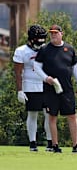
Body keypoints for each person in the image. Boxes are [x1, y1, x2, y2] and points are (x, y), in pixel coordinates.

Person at [33, 24, 77, 153]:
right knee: (52, 116)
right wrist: (46, 78)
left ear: (61, 34)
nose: (53, 35)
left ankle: (76, 145)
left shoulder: (69, 49)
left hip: (66, 88)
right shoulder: (44, 50)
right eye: (52, 33)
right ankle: (55, 145)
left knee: (72, 115)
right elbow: (37, 67)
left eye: (56, 33)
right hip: (51, 88)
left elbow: (75, 68)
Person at [13, 24, 53, 152]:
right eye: (37, 39)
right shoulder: (21, 51)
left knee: (49, 115)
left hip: (46, 85)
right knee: (33, 114)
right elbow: (18, 72)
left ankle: (50, 142)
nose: (40, 43)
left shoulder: (47, 49)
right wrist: (20, 90)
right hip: (30, 85)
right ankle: (32, 142)